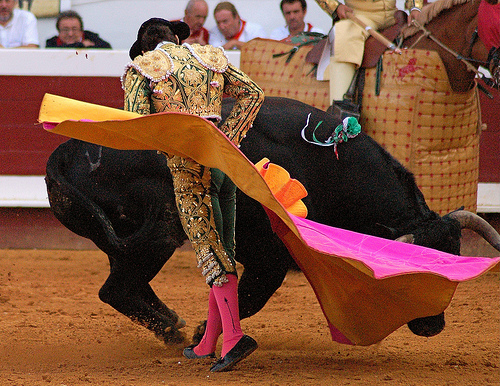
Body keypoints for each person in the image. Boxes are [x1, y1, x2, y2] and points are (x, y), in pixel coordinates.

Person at [123, 18, 264, 372]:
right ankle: (207, 343)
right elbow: (253, 94)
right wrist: (224, 140)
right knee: (224, 249)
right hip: (224, 163)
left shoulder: (143, 67)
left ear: (145, 47)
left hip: (189, 168)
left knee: (210, 252)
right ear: (175, 38)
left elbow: (137, 126)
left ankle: (234, 337)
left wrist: (173, 142)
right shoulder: (209, 56)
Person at [314, 0, 422, 117]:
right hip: (360, 16)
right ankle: (339, 115)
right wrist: (335, 6)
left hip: (394, 17)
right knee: (343, 37)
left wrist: (416, 8)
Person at [45, 10, 111, 48]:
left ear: (81, 31)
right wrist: (82, 45)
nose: (70, 34)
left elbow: (107, 48)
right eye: (65, 30)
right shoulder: (51, 43)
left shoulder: (90, 37)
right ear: (59, 31)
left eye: (74, 29)